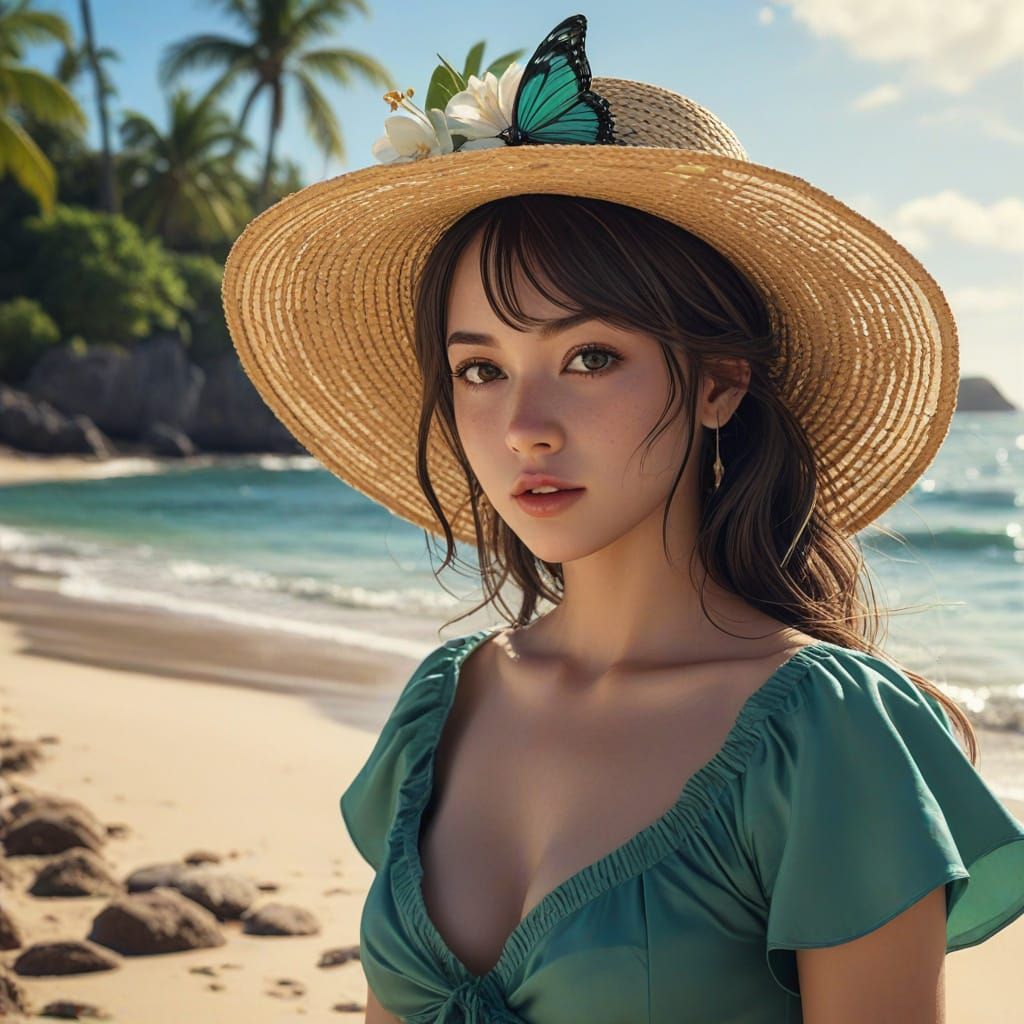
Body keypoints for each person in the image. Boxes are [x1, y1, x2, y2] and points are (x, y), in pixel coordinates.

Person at [220, 13, 1024, 1023]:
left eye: (589, 357)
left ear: (721, 382)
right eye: (479, 369)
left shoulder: (824, 736)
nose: (522, 427)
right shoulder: (440, 711)